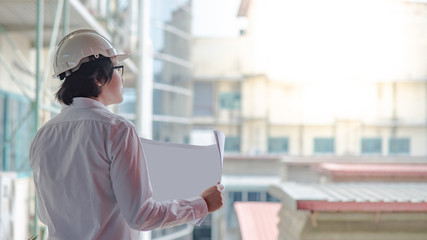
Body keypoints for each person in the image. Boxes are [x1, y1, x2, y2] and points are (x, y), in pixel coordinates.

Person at [30, 29, 223, 239]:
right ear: (98, 78)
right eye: (117, 69)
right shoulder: (117, 130)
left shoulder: (42, 136)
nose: (122, 78)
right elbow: (141, 216)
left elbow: (45, 215)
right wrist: (202, 204)